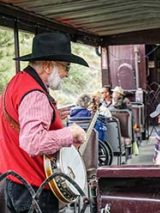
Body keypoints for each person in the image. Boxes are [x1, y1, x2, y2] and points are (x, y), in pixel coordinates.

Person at [0, 32, 88, 212]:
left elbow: (18, 122)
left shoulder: (17, 82)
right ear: (48, 66)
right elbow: (32, 141)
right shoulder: (35, 95)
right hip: (34, 189)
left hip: (13, 182)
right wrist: (70, 133)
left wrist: (53, 116)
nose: (66, 74)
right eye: (66, 67)